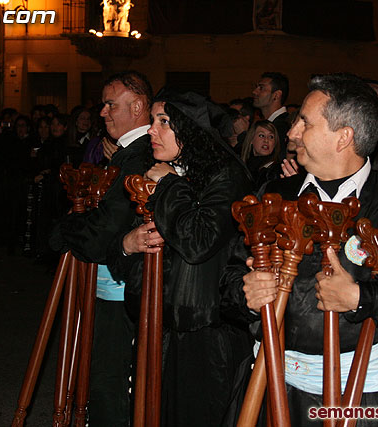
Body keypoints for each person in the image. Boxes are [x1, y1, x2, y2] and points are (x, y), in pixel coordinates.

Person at [221, 73, 378, 426]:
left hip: (350, 398)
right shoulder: (274, 194)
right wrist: (244, 291)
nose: (291, 134)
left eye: (305, 123)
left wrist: (359, 297)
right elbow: (231, 277)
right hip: (264, 384)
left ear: (344, 137)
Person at [106, 89, 253, 426]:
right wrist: (128, 243)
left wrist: (169, 187)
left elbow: (198, 241)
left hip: (205, 339)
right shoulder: (162, 172)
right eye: (153, 121)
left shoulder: (226, 176)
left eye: (164, 122)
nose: (151, 131)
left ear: (190, 129)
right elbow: (130, 249)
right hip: (157, 328)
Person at [50, 70, 153, 427]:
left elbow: (103, 232)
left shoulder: (138, 157)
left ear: (138, 106)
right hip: (113, 285)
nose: (103, 112)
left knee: (110, 377)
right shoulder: (127, 153)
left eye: (111, 104)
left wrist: (64, 229)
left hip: (121, 291)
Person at [252, 72, 291, 153]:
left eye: (261, 88)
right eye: (256, 87)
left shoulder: (283, 127)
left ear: (276, 95)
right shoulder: (271, 123)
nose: (254, 92)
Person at [240, 119, 281, 190]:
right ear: (251, 140)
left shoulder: (275, 171)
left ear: (275, 144)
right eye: (262, 135)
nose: (266, 140)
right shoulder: (242, 167)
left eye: (271, 137)